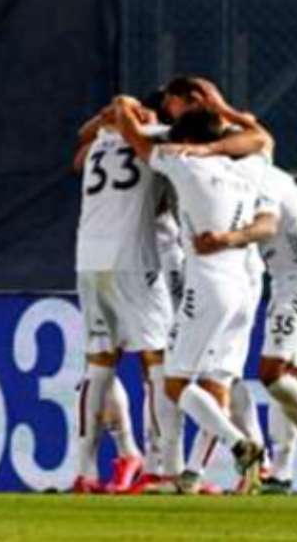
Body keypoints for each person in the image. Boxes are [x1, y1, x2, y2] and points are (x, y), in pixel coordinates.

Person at [116, 99, 273, 495]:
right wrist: (218, 135)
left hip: (208, 286)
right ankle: (191, 476)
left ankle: (241, 445)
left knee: (174, 382)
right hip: (245, 287)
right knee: (216, 381)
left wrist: (122, 108)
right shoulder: (244, 169)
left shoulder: (183, 161)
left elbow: (135, 139)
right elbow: (261, 138)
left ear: (187, 138)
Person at [193, 163, 297, 494]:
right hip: (292, 284)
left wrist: (226, 238)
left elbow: (265, 226)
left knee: (272, 373)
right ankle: (281, 473)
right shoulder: (259, 175)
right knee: (288, 380)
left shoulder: (264, 182)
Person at [72, 97, 181, 494]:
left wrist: (110, 117)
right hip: (134, 259)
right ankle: (159, 465)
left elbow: (79, 146)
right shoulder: (156, 137)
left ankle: (84, 472)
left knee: (99, 362)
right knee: (157, 361)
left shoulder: (100, 141)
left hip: (88, 259)